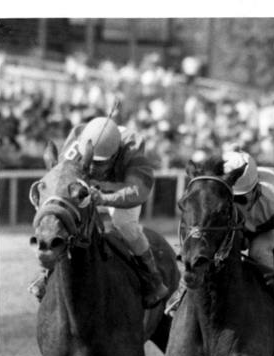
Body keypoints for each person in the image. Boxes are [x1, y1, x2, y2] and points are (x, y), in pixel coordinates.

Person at [167, 150, 274, 333]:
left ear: (256, 190)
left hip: (261, 232)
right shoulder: (214, 192)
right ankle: (182, 290)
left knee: (260, 252)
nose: (235, 206)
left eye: (240, 199)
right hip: (224, 227)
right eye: (230, 199)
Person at [28, 116, 170, 308]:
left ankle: (153, 278)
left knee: (124, 224)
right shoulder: (77, 141)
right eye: (91, 160)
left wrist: (104, 197)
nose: (93, 167)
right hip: (86, 187)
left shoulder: (132, 148)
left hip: (121, 188)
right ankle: (46, 273)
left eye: (100, 163)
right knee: (65, 219)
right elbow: (61, 179)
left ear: (115, 153)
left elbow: (137, 191)